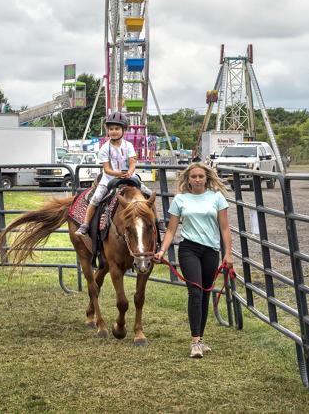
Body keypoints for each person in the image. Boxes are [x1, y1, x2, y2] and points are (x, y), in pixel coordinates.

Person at [154, 162, 233, 359]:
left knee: (206, 293)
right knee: (195, 292)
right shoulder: (180, 200)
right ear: (187, 179)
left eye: (200, 176)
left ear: (207, 178)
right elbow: (171, 230)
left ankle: (201, 338)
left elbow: (225, 228)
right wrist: (162, 250)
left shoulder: (217, 198)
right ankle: (195, 341)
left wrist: (228, 253)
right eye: (193, 176)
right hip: (189, 248)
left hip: (211, 251)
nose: (197, 179)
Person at [76, 111, 164, 236]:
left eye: (117, 128)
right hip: (109, 178)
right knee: (96, 198)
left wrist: (129, 172)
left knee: (149, 194)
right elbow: (106, 169)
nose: (114, 131)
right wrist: (118, 174)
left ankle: (157, 219)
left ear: (123, 130)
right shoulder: (104, 148)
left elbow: (133, 162)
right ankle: (85, 224)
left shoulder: (128, 145)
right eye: (111, 129)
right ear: (108, 130)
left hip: (128, 176)